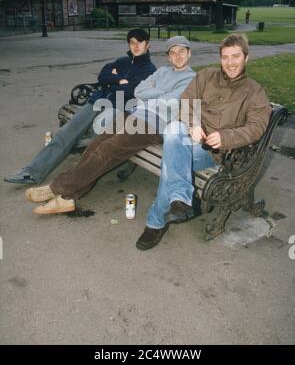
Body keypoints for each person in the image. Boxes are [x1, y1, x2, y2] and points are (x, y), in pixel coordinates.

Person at [24, 36, 196, 215]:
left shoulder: (192, 78)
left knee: (108, 150)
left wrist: (153, 94)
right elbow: (139, 90)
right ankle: (68, 198)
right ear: (168, 57)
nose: (177, 56)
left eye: (182, 52)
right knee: (95, 145)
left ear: (189, 53)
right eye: (173, 53)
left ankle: (56, 188)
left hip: (154, 124)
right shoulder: (162, 71)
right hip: (134, 113)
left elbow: (171, 102)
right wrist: (160, 93)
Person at [136, 33, 272, 251]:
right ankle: (180, 199)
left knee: (171, 160)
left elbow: (256, 127)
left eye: (235, 56)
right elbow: (185, 103)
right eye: (225, 57)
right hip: (190, 138)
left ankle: (156, 221)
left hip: (214, 152)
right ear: (220, 58)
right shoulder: (206, 76)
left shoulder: (254, 92)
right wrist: (192, 123)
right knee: (173, 130)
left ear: (246, 58)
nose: (230, 62)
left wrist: (226, 137)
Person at [4, 29, 155, 185]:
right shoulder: (122, 61)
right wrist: (118, 81)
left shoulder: (150, 70)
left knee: (98, 140)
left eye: (140, 42)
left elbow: (131, 91)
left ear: (147, 44)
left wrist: (114, 82)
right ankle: (32, 172)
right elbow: (102, 75)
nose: (135, 46)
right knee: (65, 133)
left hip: (118, 109)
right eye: (132, 42)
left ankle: (75, 172)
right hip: (96, 101)